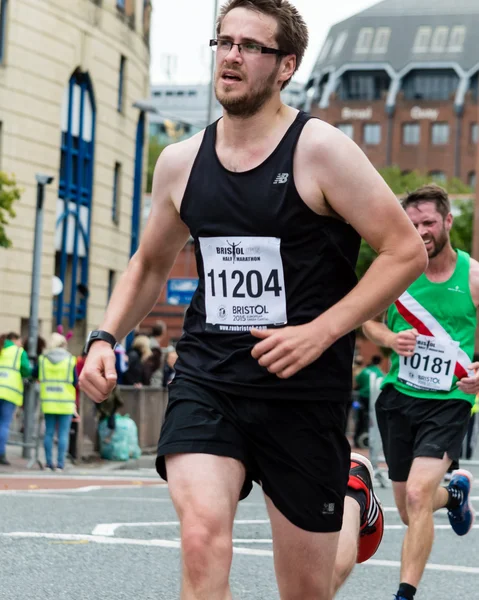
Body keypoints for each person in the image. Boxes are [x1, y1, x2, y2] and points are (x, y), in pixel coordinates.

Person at [79, 1, 428, 597]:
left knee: (307, 589)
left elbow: (404, 251)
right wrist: (104, 337)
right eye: (224, 41)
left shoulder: (321, 151)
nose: (231, 56)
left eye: (250, 46)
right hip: (209, 378)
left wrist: (322, 331)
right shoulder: (181, 163)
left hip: (302, 390)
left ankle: (353, 495)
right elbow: (149, 262)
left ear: (285, 65)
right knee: (202, 540)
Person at [363, 184, 478, 600]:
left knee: (416, 494)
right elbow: (369, 322)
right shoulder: (393, 270)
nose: (421, 231)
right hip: (399, 397)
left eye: (428, 222)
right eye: (412, 224)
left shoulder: (473, 275)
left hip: (450, 400)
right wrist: (389, 340)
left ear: (447, 221)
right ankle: (453, 496)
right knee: (409, 507)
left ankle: (404, 595)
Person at [38, 333, 77, 471]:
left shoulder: (43, 360)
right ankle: (60, 464)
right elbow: (75, 381)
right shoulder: (70, 360)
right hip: (65, 401)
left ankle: (48, 463)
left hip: (48, 400)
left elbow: (36, 374)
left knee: (48, 433)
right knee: (63, 434)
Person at [0, 332, 32, 466]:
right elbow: (26, 370)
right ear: (14, 340)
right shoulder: (19, 352)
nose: (21, 344)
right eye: (19, 341)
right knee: (4, 424)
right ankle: (1, 453)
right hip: (9, 392)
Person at [353, 355, 383, 447]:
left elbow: (357, 382)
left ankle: (357, 439)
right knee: (373, 419)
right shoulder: (380, 373)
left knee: (360, 418)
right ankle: (371, 439)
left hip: (361, 398)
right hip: (374, 398)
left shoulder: (364, 371)